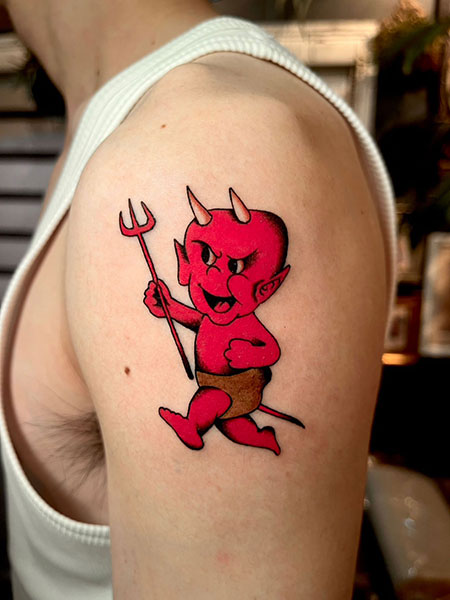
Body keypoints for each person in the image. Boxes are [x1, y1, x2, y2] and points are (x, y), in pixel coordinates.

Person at [0, 0, 396, 598]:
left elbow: (265, 349)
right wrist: (169, 309)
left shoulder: (207, 141)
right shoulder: (116, 125)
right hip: (221, 378)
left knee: (218, 411)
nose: (212, 279)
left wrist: (244, 350)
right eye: (204, 258)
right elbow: (195, 318)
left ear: (267, 286)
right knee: (242, 432)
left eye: (231, 266)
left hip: (234, 384)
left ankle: (193, 426)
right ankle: (251, 431)